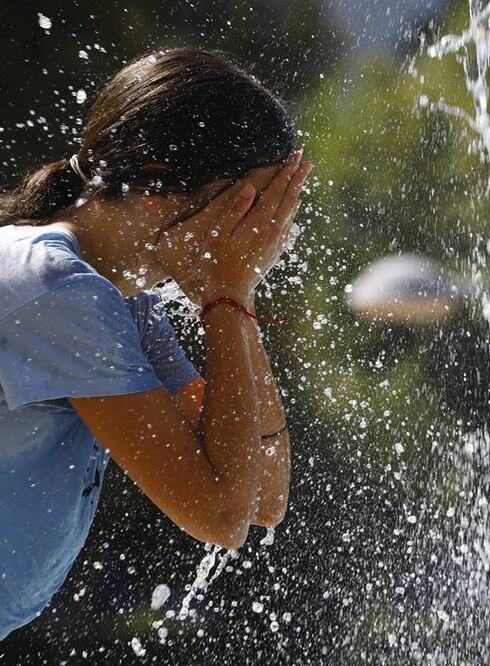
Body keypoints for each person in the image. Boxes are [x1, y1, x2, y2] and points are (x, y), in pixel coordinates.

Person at [0, 48, 312, 639]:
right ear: (157, 183)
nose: (269, 237)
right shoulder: (54, 287)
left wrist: (231, 297)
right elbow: (218, 514)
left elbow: (262, 497)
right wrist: (228, 291)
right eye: (251, 207)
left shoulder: (124, 301)